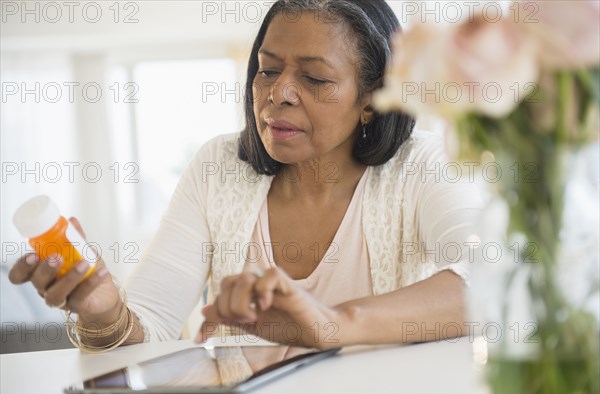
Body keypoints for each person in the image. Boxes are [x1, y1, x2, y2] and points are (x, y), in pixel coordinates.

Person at [8, 0, 482, 351]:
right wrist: (104, 311)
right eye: (267, 70)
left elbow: (487, 280)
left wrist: (331, 322)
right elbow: (145, 330)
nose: (279, 94)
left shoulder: (420, 164)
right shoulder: (218, 167)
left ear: (370, 99)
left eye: (314, 79)